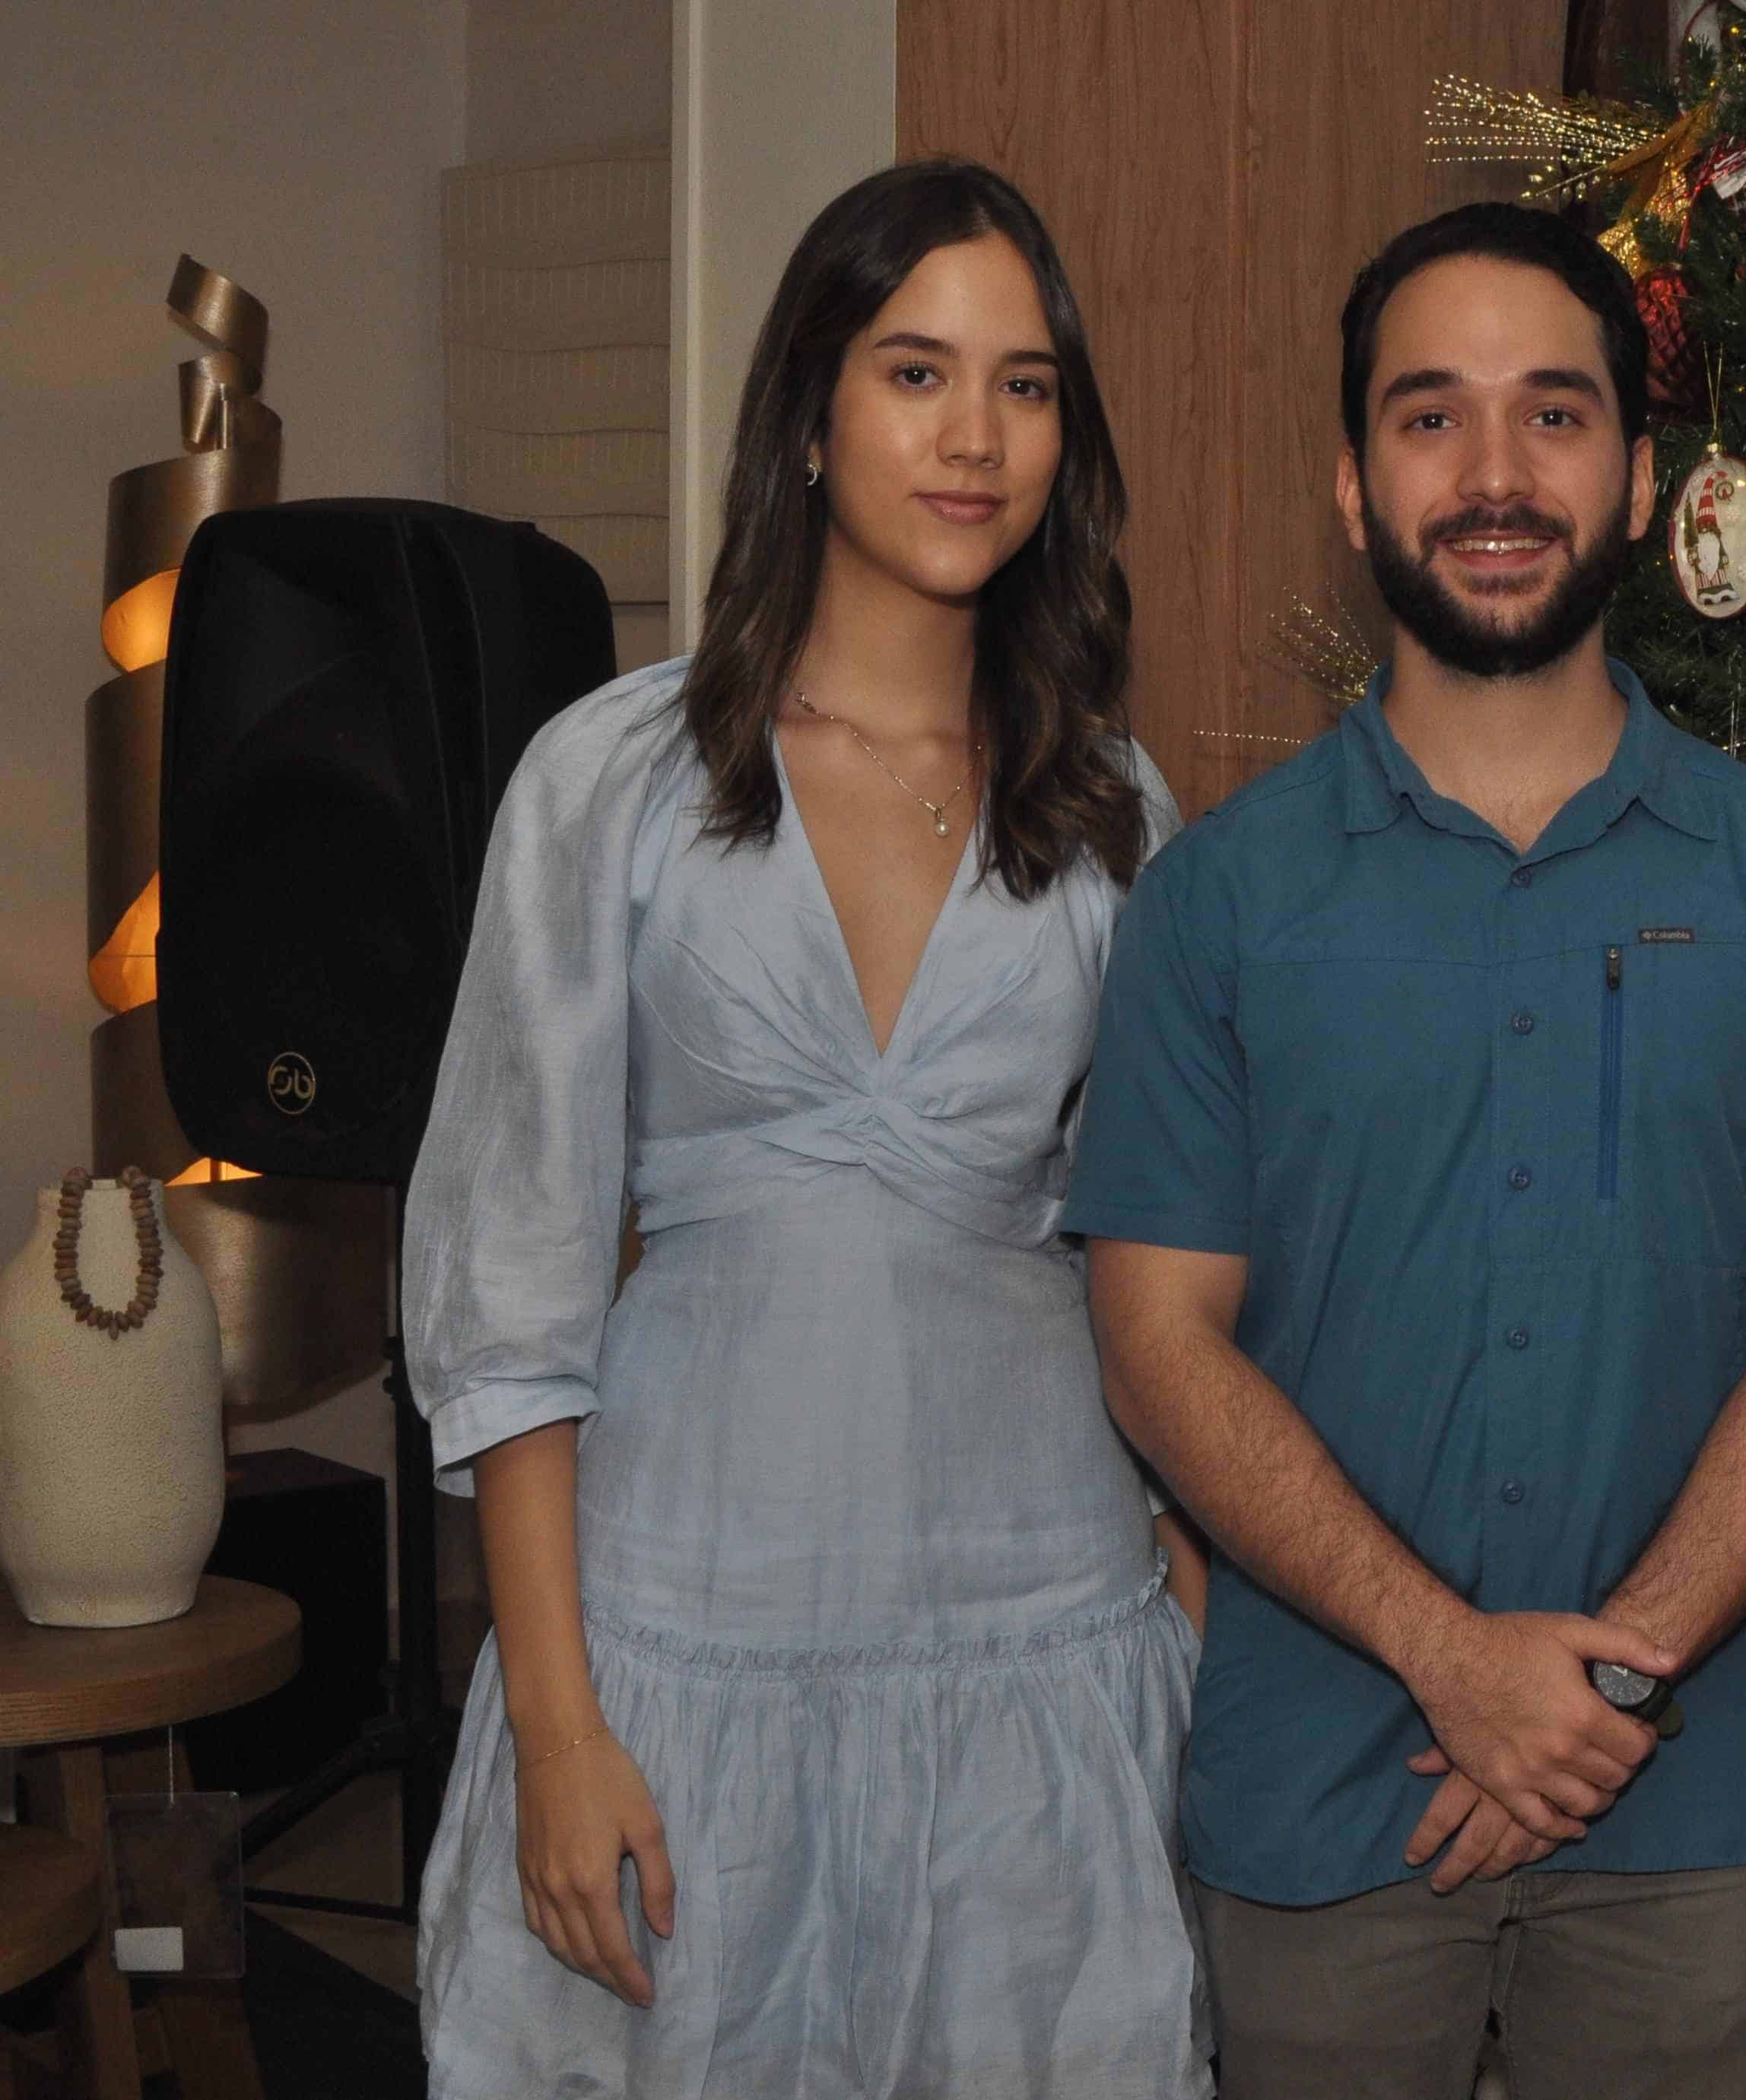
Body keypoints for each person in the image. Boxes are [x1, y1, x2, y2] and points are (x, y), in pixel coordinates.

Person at [1062, 201, 1746, 2100]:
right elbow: (1155, 1340)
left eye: (1553, 416)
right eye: (1429, 416)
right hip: (1322, 1808)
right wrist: (1451, 1659)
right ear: (1352, 484)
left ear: (1639, 477)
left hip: (1687, 1820)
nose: (1492, 475)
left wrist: (1606, 1675)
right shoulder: (1216, 904)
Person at [402, 160, 1207, 2097]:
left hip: (1045, 1650)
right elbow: (510, 1289)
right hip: (674, 1646)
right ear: (815, 410)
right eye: (915, 370)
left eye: (1025, 386)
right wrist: (561, 1723)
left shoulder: (1114, 810)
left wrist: (1184, 1595)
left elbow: (1168, 1250)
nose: (972, 434)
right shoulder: (615, 780)